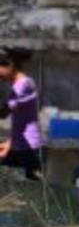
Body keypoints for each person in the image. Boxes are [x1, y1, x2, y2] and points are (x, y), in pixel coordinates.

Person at [0, 47, 44, 180]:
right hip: (19, 145)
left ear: (10, 66)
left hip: (28, 148)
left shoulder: (24, 85)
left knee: (33, 189)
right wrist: (9, 143)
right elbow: (21, 122)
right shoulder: (18, 85)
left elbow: (3, 112)